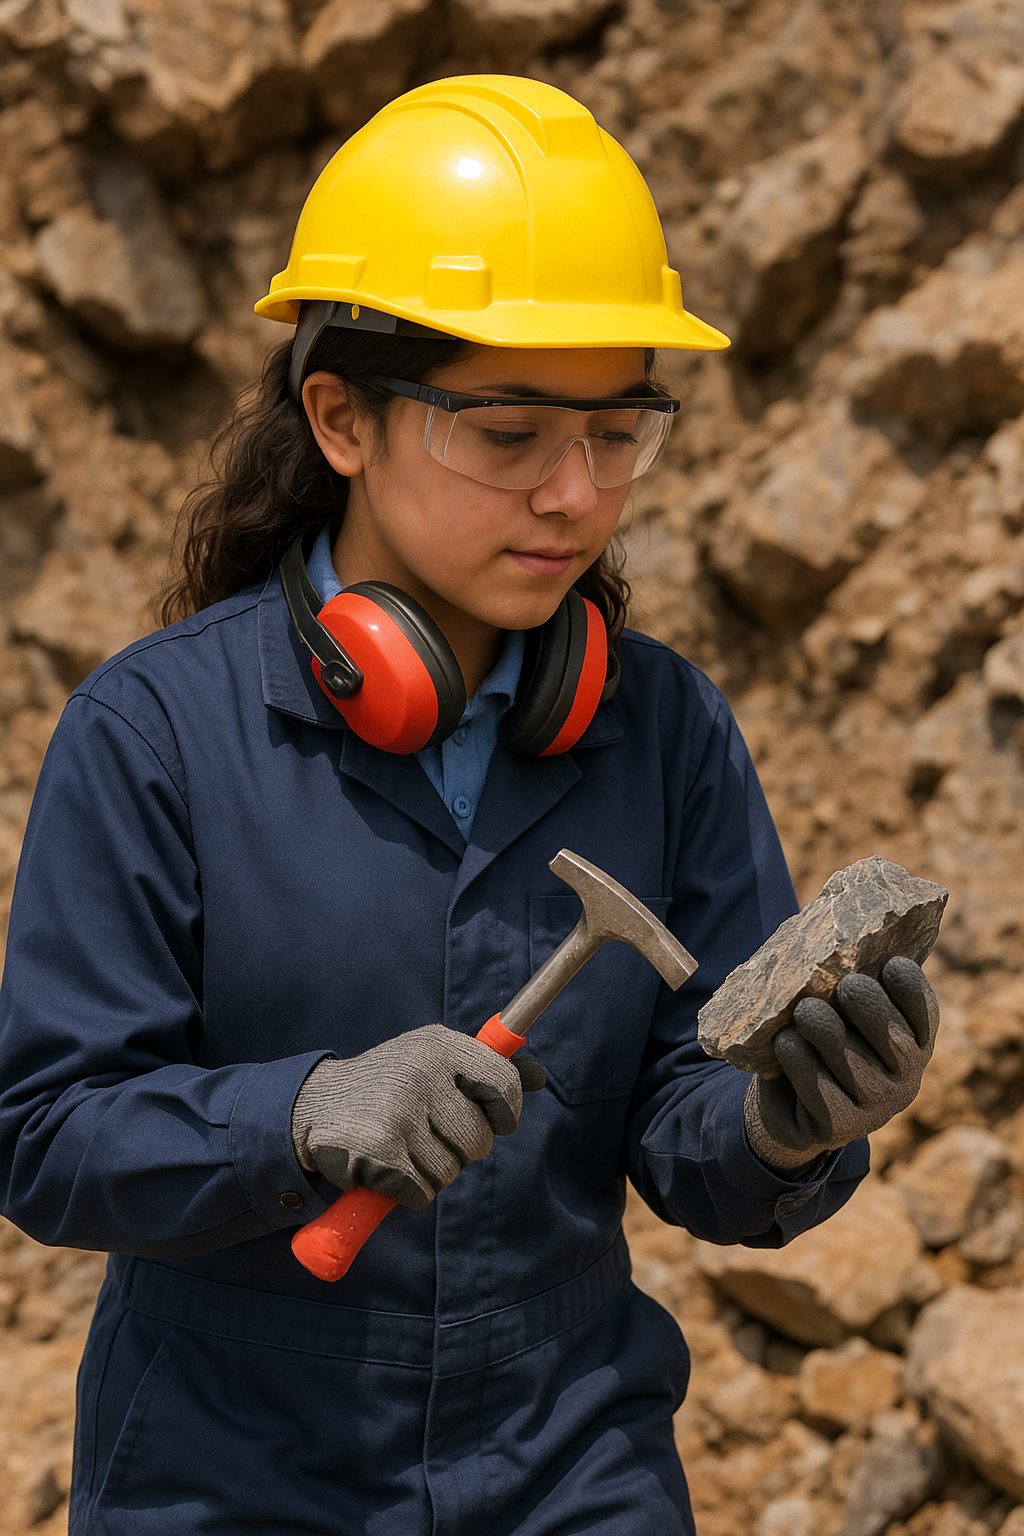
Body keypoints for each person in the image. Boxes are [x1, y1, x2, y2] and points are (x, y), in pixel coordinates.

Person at [0, 75, 938, 1536]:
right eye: (507, 434)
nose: (573, 492)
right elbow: (50, 1136)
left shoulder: (664, 729)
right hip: (224, 1479)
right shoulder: (157, 734)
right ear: (341, 419)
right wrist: (299, 1114)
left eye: (619, 432)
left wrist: (787, 1127)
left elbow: (688, 1128)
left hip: (572, 1465)